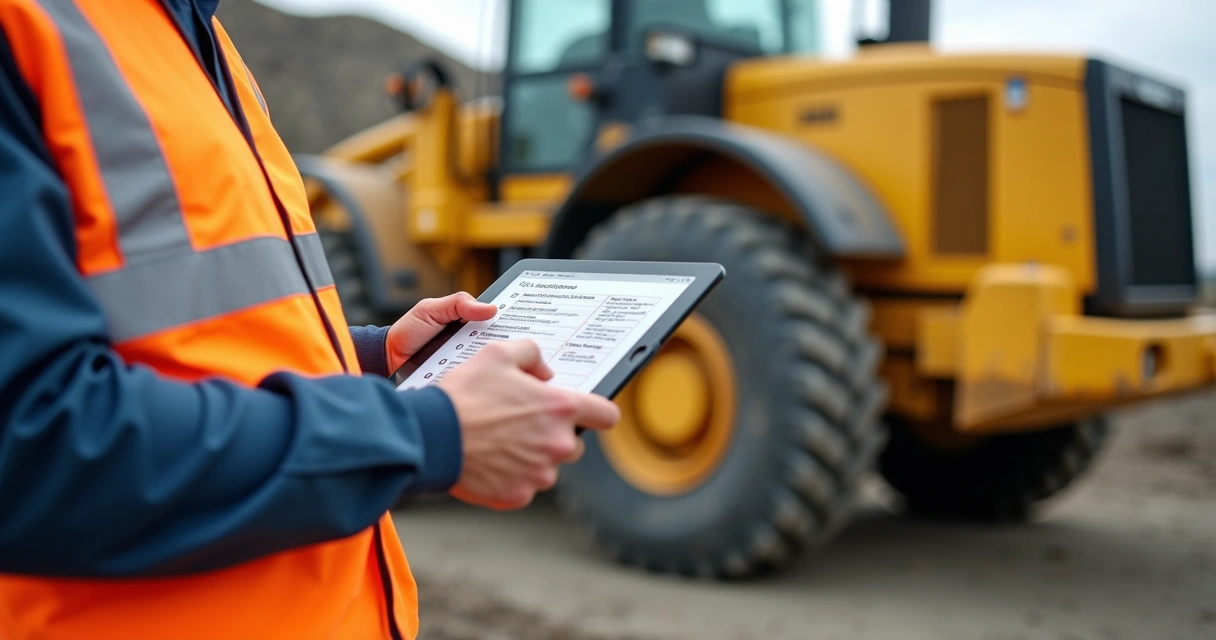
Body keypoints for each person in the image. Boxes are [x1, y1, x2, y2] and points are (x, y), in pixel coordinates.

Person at [0, 1, 619, 638]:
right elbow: (30, 444)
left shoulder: (204, 44)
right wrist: (423, 433)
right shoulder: (32, 29)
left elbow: (194, 340)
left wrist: (371, 362)